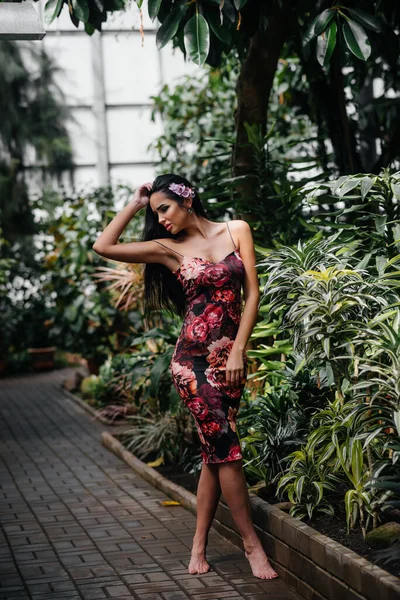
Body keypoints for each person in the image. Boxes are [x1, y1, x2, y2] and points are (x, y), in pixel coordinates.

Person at [92, 174, 278, 581]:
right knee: (227, 447)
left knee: (215, 454)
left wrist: (240, 351)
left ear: (187, 200)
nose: (161, 220)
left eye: (165, 209)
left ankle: (198, 545)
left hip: (231, 361)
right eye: (155, 213)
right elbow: (103, 246)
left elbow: (252, 295)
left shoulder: (236, 229)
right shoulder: (166, 248)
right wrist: (137, 203)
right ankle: (251, 544)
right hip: (191, 364)